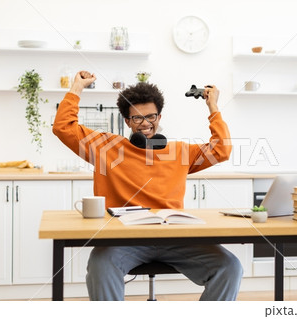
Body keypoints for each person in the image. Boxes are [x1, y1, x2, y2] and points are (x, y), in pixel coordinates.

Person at [53, 71, 243, 301]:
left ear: (159, 117)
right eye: (137, 118)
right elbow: (63, 127)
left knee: (230, 266)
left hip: (175, 238)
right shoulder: (104, 147)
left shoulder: (180, 151)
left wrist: (213, 107)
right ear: (127, 121)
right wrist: (77, 88)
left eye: (151, 117)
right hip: (125, 240)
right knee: (100, 265)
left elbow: (221, 150)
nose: (145, 124)